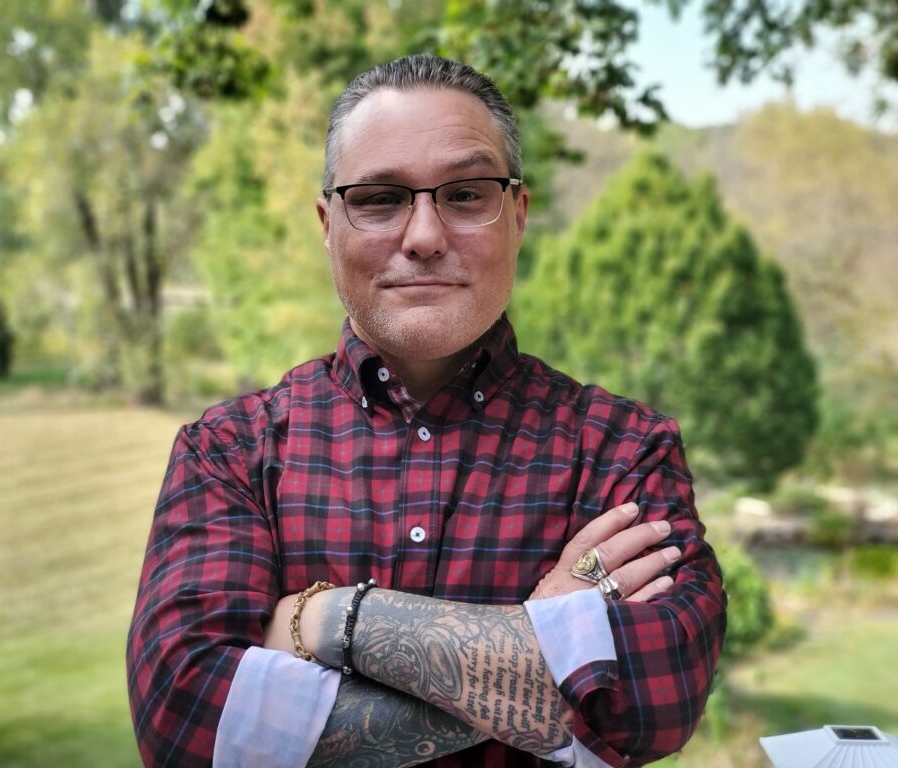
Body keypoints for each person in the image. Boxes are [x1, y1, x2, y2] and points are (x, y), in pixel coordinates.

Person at [127, 54, 726, 768]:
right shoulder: (229, 452)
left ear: (519, 215)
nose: (423, 235)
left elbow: (656, 700)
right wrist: (545, 638)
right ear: (328, 224)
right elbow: (187, 721)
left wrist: (327, 619)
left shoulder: (625, 450)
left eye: (466, 194)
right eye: (379, 198)